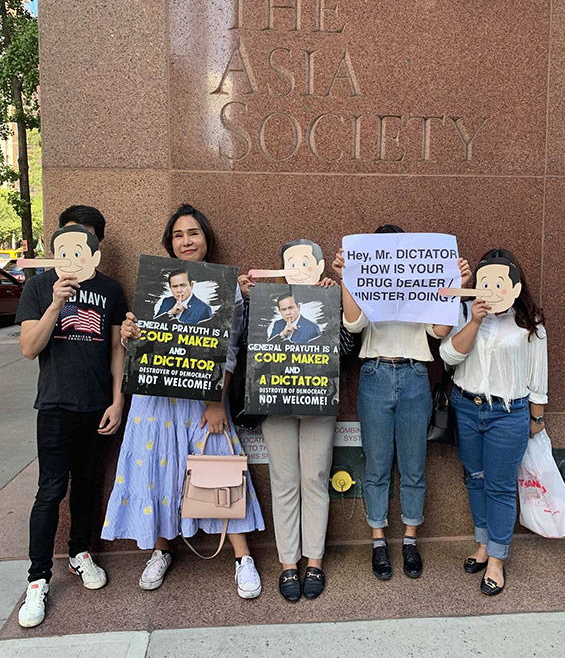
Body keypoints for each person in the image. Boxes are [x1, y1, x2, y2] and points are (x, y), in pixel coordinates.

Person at [102, 204, 264, 598]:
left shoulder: (223, 298)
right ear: (169, 245)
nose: (186, 241)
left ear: (206, 240)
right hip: (154, 401)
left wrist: (215, 401)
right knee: (159, 469)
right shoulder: (154, 300)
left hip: (202, 400)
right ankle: (161, 550)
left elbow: (229, 352)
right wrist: (129, 334)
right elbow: (140, 350)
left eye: (192, 233)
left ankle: (243, 558)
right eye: (177, 235)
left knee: (218, 468)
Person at [332, 225, 471, 582]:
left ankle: (410, 538)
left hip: (414, 376)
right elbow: (354, 321)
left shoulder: (420, 283)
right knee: (377, 466)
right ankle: (378, 539)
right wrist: (348, 277)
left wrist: (452, 287)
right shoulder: (366, 279)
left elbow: (438, 332)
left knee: (413, 466)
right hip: (375, 373)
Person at [16, 205, 127, 628]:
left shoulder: (112, 289)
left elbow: (117, 348)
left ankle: (81, 553)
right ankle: (38, 578)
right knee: (49, 492)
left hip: (97, 405)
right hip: (55, 406)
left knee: (87, 485)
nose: (74, 249)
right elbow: (29, 347)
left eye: (83, 241)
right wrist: (54, 305)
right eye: (66, 240)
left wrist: (117, 401)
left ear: (96, 247)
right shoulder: (41, 286)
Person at [439, 248, 547, 596]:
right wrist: (474, 320)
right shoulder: (465, 312)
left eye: (500, 282)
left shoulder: (529, 321)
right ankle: (482, 542)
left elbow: (537, 376)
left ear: (514, 285)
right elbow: (448, 355)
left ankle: (498, 557)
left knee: (500, 485)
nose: (492, 289)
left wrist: (536, 419)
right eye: (486, 281)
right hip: (467, 407)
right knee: (474, 478)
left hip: (509, 412)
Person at [238, 239, 341, 602]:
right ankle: (288, 565)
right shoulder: (270, 322)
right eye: (284, 310)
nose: (288, 314)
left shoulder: (323, 312)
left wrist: (335, 303)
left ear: (317, 265)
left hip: (317, 404)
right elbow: (251, 350)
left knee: (314, 480)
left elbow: (346, 350)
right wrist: (248, 300)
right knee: (284, 482)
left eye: (292, 310)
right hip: (277, 407)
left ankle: (314, 561)